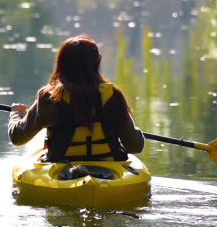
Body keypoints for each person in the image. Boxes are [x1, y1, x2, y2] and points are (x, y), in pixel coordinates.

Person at [9, 35, 145, 162]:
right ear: (96, 63)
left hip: (62, 170)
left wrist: (16, 113)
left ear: (61, 63)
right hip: (109, 171)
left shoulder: (50, 97)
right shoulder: (113, 95)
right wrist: (132, 127)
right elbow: (135, 146)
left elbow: (18, 137)